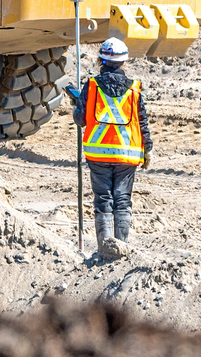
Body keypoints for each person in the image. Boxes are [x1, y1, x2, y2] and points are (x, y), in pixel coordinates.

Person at [70, 35, 149, 260]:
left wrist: (76, 106)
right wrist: (147, 149)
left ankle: (105, 249)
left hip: (98, 153)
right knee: (122, 199)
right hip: (127, 153)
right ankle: (121, 249)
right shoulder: (134, 88)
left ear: (101, 61)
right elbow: (142, 120)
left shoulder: (92, 85)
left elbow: (81, 120)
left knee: (103, 199)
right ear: (123, 62)